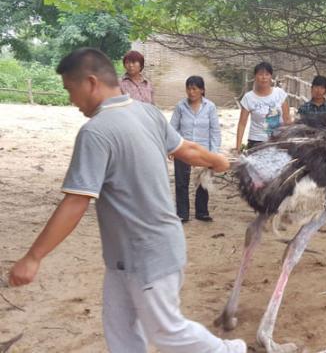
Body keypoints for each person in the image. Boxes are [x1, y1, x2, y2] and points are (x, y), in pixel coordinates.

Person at [8, 48, 246, 353]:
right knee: (120, 334)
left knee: (167, 333)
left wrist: (33, 257)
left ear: (91, 82)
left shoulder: (95, 132)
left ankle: (230, 351)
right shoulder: (146, 112)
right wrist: (217, 160)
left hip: (149, 253)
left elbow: (75, 203)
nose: (70, 99)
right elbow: (186, 149)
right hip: (125, 256)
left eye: (70, 89)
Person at [170, 76, 221, 223]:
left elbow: (215, 130)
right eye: (189, 88)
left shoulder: (210, 107)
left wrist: (214, 152)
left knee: (203, 181)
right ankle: (182, 213)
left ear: (202, 90)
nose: (191, 92)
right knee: (181, 182)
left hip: (203, 150)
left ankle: (202, 212)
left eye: (195, 89)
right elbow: (172, 128)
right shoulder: (180, 106)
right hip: (183, 148)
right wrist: (172, 148)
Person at [236, 61, 291, 152]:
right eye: (260, 74)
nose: (264, 77)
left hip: (278, 140)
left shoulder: (279, 94)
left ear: (271, 76)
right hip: (256, 141)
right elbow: (242, 123)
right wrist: (238, 147)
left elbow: (287, 119)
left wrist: (289, 140)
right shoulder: (248, 98)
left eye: (267, 74)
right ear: (255, 76)